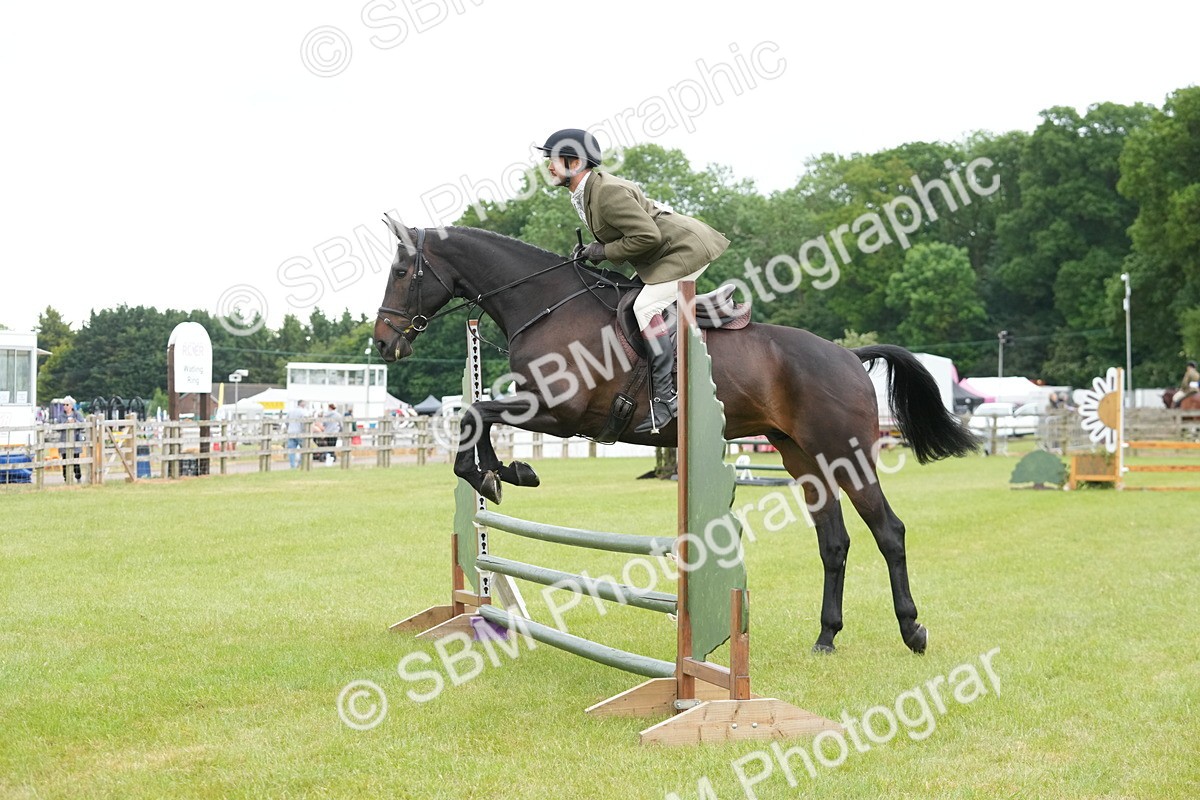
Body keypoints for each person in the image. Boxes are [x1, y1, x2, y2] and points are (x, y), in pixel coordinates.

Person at [536, 128, 730, 433]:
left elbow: (647, 236)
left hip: (685, 250)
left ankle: (667, 397)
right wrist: (592, 250)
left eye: (555, 160)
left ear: (575, 163)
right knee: (624, 296)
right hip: (662, 254)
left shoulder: (606, 192)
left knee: (644, 308)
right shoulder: (586, 192)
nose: (549, 166)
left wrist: (602, 251)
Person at [59, 397, 84, 483]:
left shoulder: (77, 414)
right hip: (64, 441)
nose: (65, 406)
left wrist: (75, 422)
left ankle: (78, 477)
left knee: (76, 460)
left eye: (67, 404)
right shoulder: (61, 415)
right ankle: (66, 478)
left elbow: (83, 426)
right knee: (65, 460)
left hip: (75, 440)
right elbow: (57, 427)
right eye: (64, 405)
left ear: (72, 405)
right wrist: (65, 423)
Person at [286, 400, 307, 469]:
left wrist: (288, 428)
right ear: (302, 404)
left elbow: (286, 421)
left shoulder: (291, 411)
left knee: (291, 450)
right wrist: (304, 431)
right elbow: (304, 423)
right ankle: (300, 464)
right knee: (303, 448)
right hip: (300, 432)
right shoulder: (303, 412)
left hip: (291, 432)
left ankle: (292, 465)